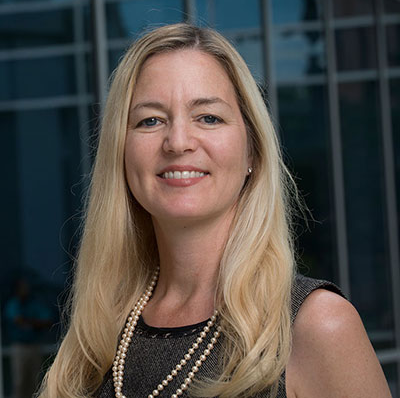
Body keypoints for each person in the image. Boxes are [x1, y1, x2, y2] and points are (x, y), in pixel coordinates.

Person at [38, 23, 391, 398]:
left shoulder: (317, 326)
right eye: (150, 120)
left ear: (252, 151)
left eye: (208, 117)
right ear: (120, 153)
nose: (177, 142)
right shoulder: (96, 338)